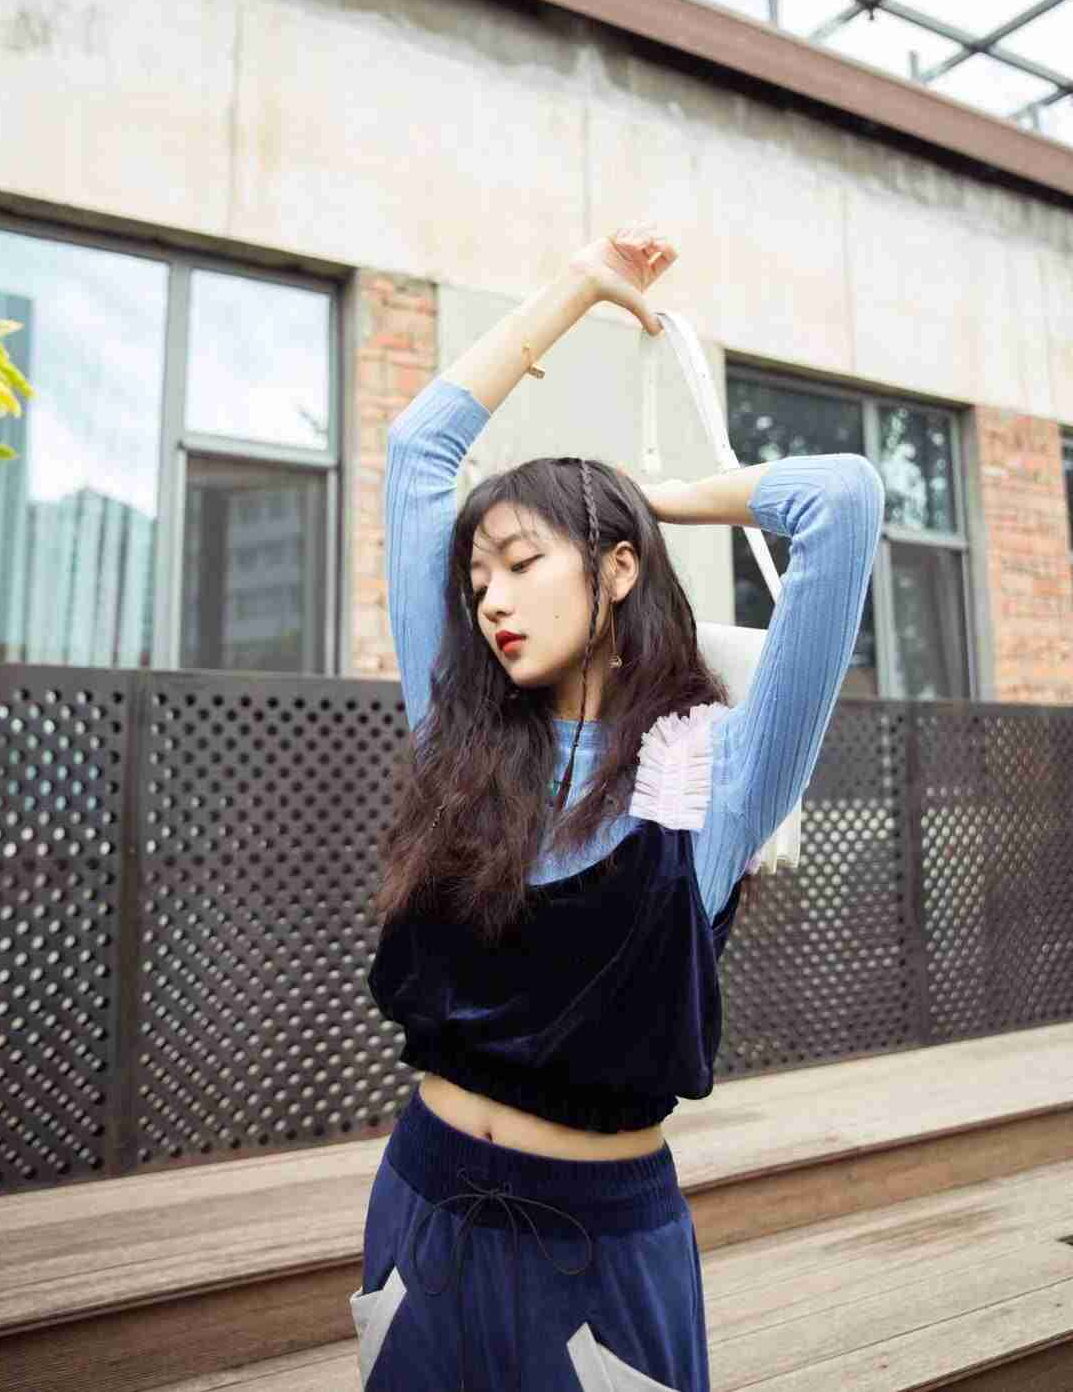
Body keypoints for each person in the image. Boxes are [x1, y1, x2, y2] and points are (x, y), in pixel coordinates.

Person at [351, 221, 885, 1390]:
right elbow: (416, 449)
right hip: (423, 1206)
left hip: (598, 1256)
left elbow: (844, 500)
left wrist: (657, 502)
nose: (491, 599)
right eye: (476, 579)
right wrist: (579, 287)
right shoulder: (460, 731)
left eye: (523, 563)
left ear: (617, 570)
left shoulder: (708, 767)